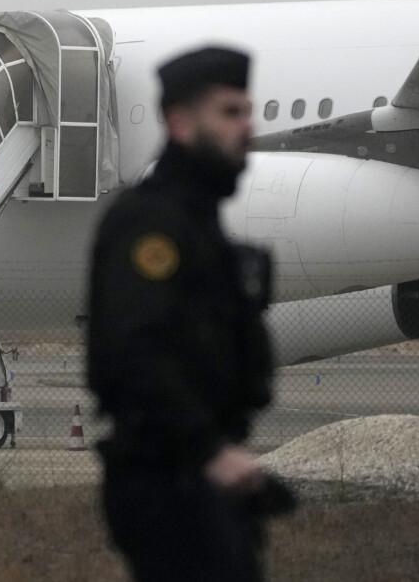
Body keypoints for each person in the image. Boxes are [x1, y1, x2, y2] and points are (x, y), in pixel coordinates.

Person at [85, 46, 286, 582]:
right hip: (169, 480)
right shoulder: (152, 225)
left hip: (203, 475)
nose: (246, 127)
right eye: (228, 113)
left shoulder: (200, 222)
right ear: (179, 121)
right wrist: (208, 453)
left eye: (247, 111)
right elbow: (133, 355)